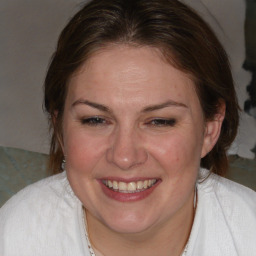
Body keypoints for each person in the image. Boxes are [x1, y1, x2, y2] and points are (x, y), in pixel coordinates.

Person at [0, 0, 255, 255]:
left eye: (160, 121)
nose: (124, 156)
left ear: (209, 129)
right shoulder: (14, 236)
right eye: (95, 120)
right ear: (60, 129)